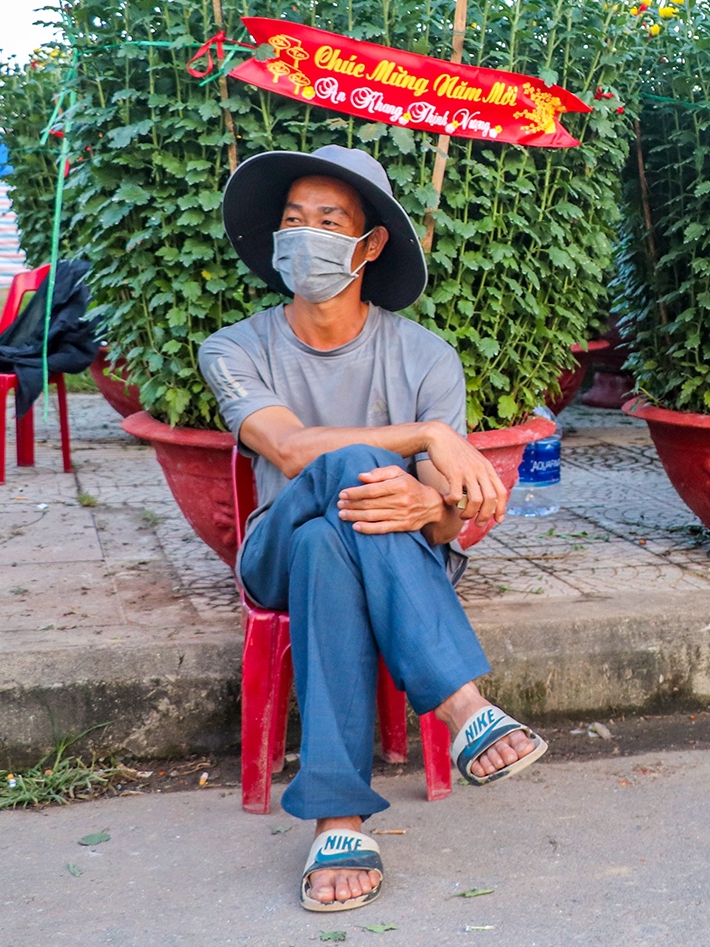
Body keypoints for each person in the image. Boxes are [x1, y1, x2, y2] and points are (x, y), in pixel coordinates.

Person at [199, 144, 547, 912]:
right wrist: (424, 438)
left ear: (371, 243)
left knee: (337, 541)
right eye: (294, 220)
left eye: (330, 220)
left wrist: (434, 504)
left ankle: (337, 818)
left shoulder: (425, 357)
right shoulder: (233, 347)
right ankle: (459, 705)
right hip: (275, 551)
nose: (306, 235)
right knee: (337, 482)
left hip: (363, 551)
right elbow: (289, 451)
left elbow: (442, 514)